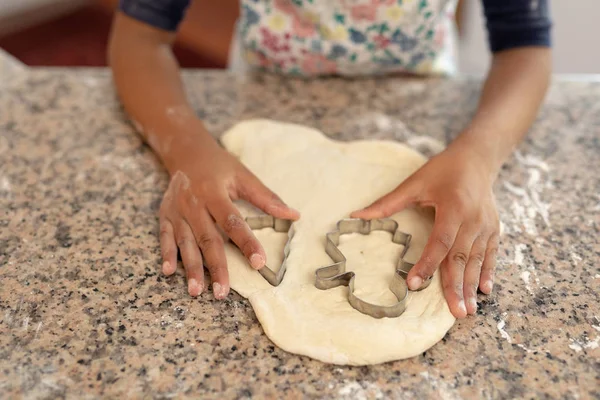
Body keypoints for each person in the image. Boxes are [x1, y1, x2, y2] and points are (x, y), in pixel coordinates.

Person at [108, 0, 552, 319]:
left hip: (421, 103)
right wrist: (185, 148)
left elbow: (524, 46)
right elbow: (139, 40)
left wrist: (479, 155)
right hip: (260, 96)